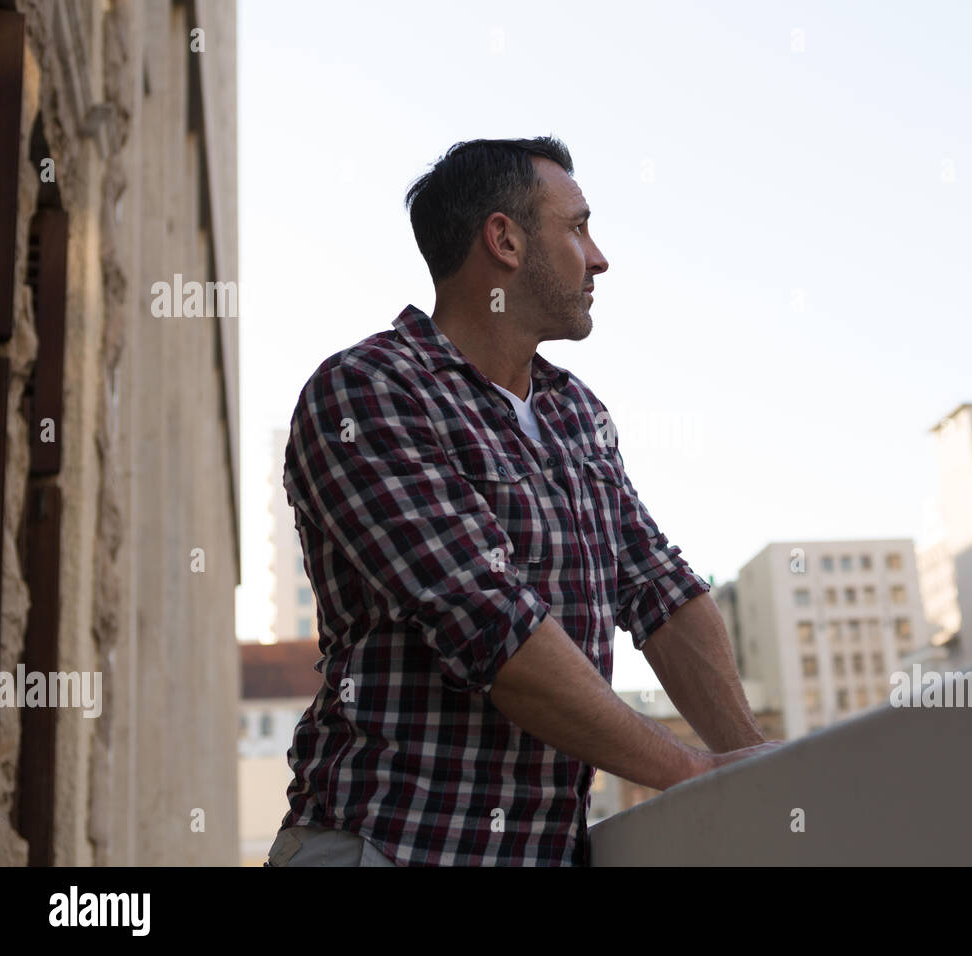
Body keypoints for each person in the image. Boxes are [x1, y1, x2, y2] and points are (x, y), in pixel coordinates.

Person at [266, 136, 780, 867]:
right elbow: (489, 625)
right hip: (389, 846)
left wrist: (753, 760)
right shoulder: (370, 390)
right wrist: (687, 771)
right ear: (504, 240)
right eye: (577, 227)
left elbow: (659, 588)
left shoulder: (578, 411)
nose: (599, 257)